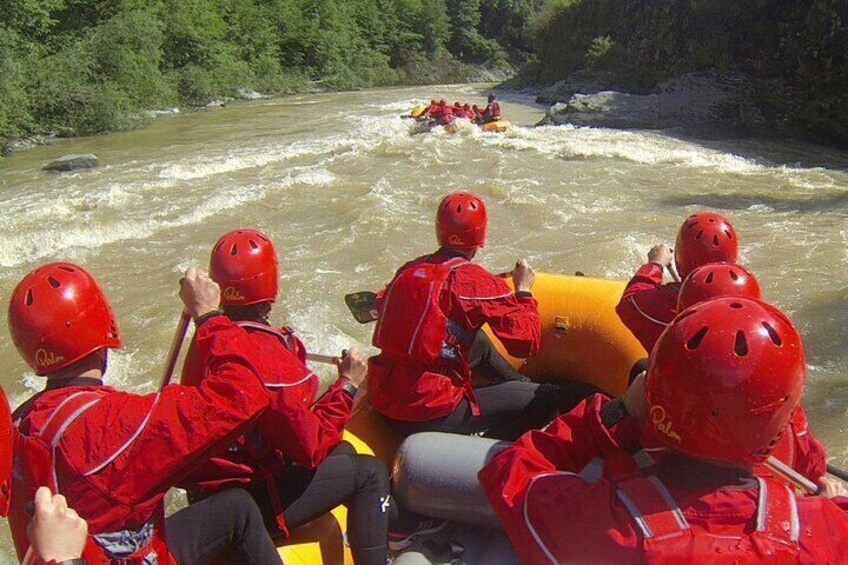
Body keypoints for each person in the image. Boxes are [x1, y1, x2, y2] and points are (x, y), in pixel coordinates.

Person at [480, 297, 848, 564]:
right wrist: (827, 503)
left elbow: (512, 469)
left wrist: (618, 410)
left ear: (654, 402)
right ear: (782, 419)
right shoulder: (828, 529)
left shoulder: (602, 524)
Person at [7, 263, 282, 565]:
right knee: (239, 507)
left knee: (235, 507)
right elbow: (244, 395)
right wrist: (209, 315)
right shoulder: (117, 424)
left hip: (81, 553)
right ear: (104, 322)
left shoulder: (19, 424)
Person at [179, 229, 391, 565]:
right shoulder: (265, 354)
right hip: (252, 499)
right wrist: (347, 385)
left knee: (346, 449)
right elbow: (311, 447)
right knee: (371, 472)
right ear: (270, 286)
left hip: (210, 495)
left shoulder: (206, 339)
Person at [367, 191, 601, 441]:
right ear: (480, 235)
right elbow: (527, 343)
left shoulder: (408, 270)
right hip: (431, 410)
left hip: (385, 401)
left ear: (439, 230)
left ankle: (522, 384)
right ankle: (487, 445)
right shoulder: (477, 283)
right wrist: (523, 291)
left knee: (477, 341)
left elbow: (383, 303)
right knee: (549, 398)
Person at [676, 262, 827, 482]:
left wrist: (624, 410)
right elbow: (814, 467)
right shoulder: (792, 421)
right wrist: (825, 500)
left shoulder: (672, 365)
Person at [616, 211, 738, 353]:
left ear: (679, 262)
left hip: (679, 373)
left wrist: (656, 264)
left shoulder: (667, 308)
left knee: (640, 372)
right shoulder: (746, 305)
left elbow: (629, 302)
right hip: (723, 372)